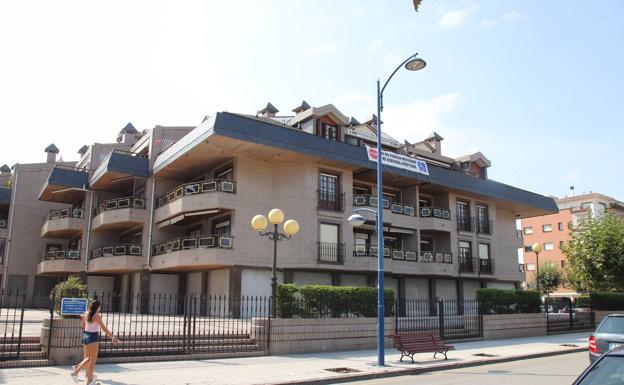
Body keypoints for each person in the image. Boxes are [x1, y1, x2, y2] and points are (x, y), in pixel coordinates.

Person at [70, 299, 119, 385]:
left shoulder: (86, 313)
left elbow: (82, 325)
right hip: (93, 337)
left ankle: (76, 372)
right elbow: (104, 328)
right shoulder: (96, 316)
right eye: (100, 306)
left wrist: (84, 319)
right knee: (92, 360)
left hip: (86, 336)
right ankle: (89, 381)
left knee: (88, 358)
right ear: (98, 307)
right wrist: (112, 337)